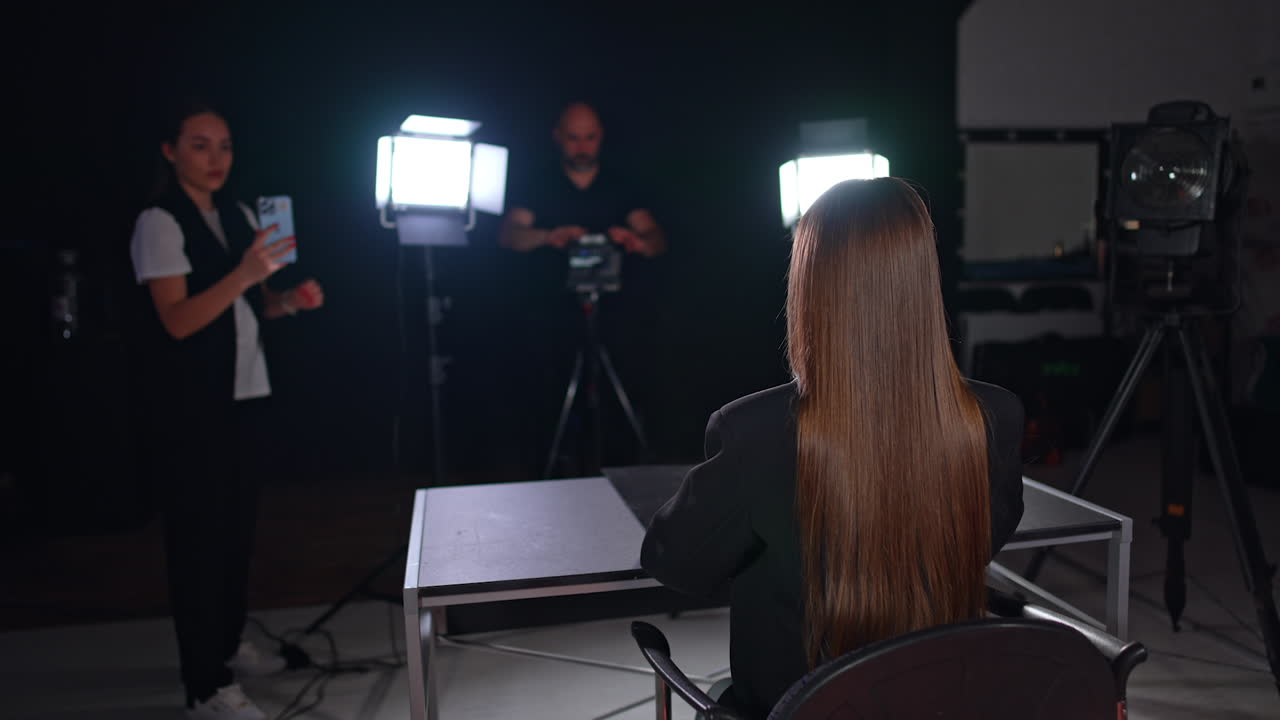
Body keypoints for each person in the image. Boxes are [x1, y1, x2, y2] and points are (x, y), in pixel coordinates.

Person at [640, 177, 1026, 718]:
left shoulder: (753, 431)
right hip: (939, 700)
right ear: (923, 279)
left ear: (810, 284)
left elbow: (676, 564)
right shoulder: (994, 417)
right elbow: (981, 540)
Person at [129, 100, 324, 720]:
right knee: (198, 546)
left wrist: (290, 301)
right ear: (170, 150)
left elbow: (253, 306)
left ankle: (228, 644)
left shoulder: (238, 215)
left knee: (236, 535)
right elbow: (179, 321)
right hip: (190, 409)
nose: (216, 159)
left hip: (245, 396)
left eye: (224, 147)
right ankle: (204, 685)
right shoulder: (159, 222)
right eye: (199, 145)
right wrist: (244, 275)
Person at [498, 101, 666, 476]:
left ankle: (624, 466)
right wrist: (550, 236)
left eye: (589, 138)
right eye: (573, 138)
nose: (582, 147)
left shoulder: (620, 185)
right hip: (551, 317)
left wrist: (634, 241)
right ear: (558, 137)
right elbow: (509, 235)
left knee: (621, 388)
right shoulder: (539, 183)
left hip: (614, 316)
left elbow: (655, 238)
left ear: (600, 138)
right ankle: (554, 469)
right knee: (547, 395)